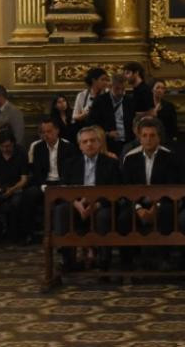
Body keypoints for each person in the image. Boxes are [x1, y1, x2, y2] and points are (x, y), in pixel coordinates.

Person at [54, 126, 120, 269]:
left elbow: (115, 192)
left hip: (101, 205)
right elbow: (63, 188)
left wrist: (95, 205)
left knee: (104, 215)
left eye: (92, 140)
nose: (89, 144)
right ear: (80, 145)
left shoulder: (111, 163)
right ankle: (68, 260)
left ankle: (104, 261)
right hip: (77, 204)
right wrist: (76, 203)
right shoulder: (70, 164)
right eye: (85, 142)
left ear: (99, 143)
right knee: (61, 210)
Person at [0, 129, 32, 242]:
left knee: (15, 204)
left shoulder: (21, 152)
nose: (5, 149)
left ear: (13, 143)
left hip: (16, 187)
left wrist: (12, 190)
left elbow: (24, 179)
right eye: (2, 146)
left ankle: (14, 233)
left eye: (7, 146)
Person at [89, 74, 135, 156]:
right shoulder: (100, 101)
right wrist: (107, 133)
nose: (120, 92)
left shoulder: (129, 101)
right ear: (110, 87)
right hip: (108, 143)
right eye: (117, 89)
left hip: (128, 142)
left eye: (123, 89)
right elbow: (92, 123)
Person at [72, 67, 109, 132]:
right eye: (102, 80)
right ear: (94, 81)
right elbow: (75, 116)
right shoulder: (82, 95)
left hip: (104, 131)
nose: (105, 83)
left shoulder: (109, 94)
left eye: (106, 80)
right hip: (87, 129)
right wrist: (84, 115)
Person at [151, 80, 178, 149]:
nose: (160, 90)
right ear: (152, 90)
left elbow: (173, 124)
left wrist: (174, 138)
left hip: (166, 139)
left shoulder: (169, 106)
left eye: (162, 88)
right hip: (150, 137)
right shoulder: (146, 105)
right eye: (158, 88)